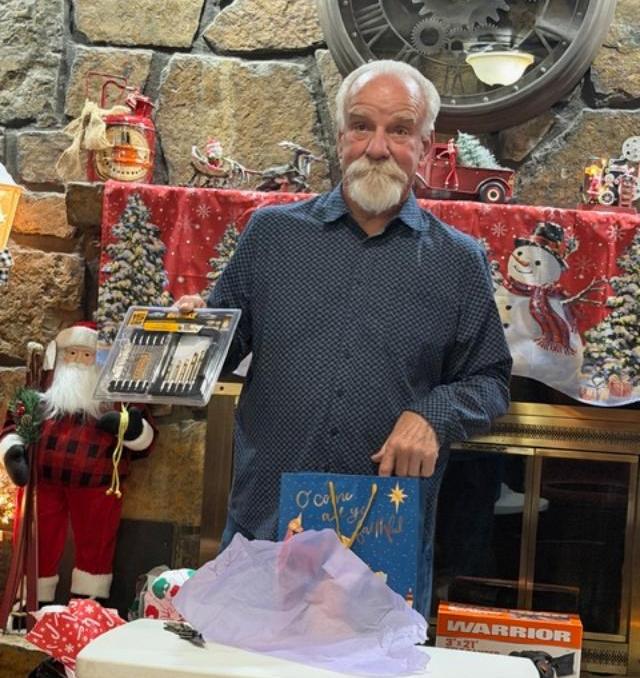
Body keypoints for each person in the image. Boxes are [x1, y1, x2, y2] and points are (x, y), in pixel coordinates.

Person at [177, 60, 512, 616]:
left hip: (381, 544)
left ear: (426, 148)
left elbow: (490, 380)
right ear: (340, 139)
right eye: (361, 126)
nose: (377, 147)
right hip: (264, 528)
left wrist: (433, 415)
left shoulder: (459, 262)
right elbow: (221, 347)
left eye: (399, 130)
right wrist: (192, 328)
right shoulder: (271, 235)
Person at [0, 323, 155, 604]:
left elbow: (144, 435)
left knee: (96, 544)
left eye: (87, 355)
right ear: (60, 355)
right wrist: (13, 452)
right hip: (42, 480)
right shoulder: (41, 389)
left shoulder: (116, 394)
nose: (78, 361)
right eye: (71, 353)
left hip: (97, 482)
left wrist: (131, 429)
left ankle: (87, 606)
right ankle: (32, 604)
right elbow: (15, 421)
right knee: (37, 541)